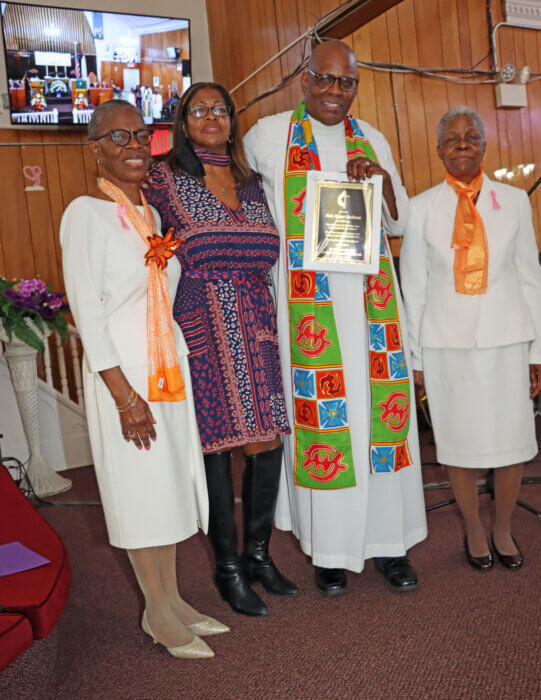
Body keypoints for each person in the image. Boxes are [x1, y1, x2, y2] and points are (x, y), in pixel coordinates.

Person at [244, 40, 427, 595]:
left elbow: (400, 226)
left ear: (355, 86)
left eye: (345, 83)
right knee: (326, 425)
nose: (333, 91)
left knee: (379, 422)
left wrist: (383, 180)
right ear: (304, 78)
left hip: (372, 309)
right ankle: (329, 551)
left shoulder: (372, 138)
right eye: (324, 79)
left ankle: (390, 546)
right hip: (307, 311)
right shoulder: (267, 137)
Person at [60, 99, 229, 659]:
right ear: (96, 150)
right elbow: (88, 311)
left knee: (168, 484)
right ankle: (155, 612)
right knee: (138, 490)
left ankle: (173, 598)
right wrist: (124, 396)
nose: (134, 146)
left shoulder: (150, 217)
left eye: (141, 136)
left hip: (165, 367)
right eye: (118, 138)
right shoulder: (85, 213)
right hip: (125, 376)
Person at [145, 83, 298, 616]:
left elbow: (271, 248)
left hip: (257, 323)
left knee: (267, 442)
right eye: (199, 109)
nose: (211, 117)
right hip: (203, 326)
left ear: (232, 122)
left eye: (220, 109)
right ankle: (227, 567)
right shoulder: (162, 179)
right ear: (183, 122)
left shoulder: (252, 183)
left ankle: (258, 555)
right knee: (216, 448)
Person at [400, 106, 541, 570]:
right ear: (439, 150)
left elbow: (530, 279)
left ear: (483, 145)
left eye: (471, 137)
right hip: (445, 346)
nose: (462, 144)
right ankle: (474, 529)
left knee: (512, 442)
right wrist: (415, 359)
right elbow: (414, 290)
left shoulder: (515, 201)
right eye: (452, 138)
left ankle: (502, 527)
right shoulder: (421, 209)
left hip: (507, 340)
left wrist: (537, 350)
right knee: (457, 441)